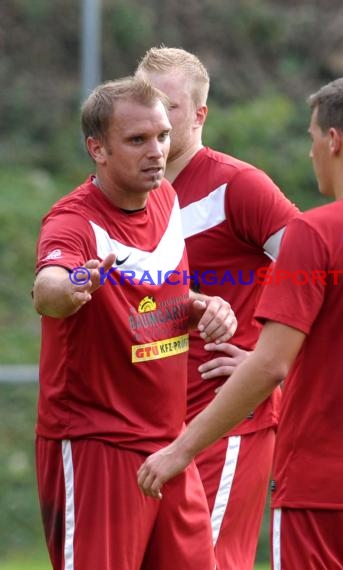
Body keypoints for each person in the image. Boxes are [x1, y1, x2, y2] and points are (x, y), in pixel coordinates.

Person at [138, 75, 343, 569]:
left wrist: (182, 449)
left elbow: (270, 367)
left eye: (311, 138)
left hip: (323, 475)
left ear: (333, 140)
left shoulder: (315, 230)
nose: (310, 153)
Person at [32, 76, 237, 570]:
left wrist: (201, 306)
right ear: (96, 149)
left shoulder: (165, 198)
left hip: (169, 444)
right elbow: (49, 291)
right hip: (97, 445)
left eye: (163, 136)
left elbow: (160, 295)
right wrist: (73, 286)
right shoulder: (73, 222)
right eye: (137, 140)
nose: (157, 151)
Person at [135, 47, 299, 570]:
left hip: (224, 418)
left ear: (200, 114)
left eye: (170, 105)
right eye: (145, 102)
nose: (155, 116)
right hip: (149, 422)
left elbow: (325, 276)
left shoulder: (239, 185)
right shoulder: (131, 194)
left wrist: (266, 358)